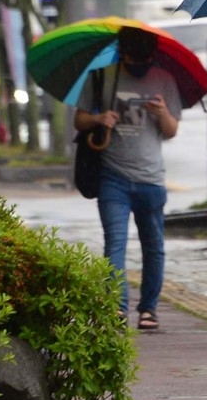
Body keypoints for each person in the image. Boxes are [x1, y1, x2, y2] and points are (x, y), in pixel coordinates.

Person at [74, 26, 181, 330]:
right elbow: (79, 119)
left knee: (154, 247)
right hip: (113, 177)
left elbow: (171, 130)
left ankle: (149, 309)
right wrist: (99, 118)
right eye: (135, 60)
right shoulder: (102, 77)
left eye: (146, 60)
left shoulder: (164, 79)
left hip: (152, 179)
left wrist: (162, 113)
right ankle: (117, 307)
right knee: (115, 243)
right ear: (122, 53)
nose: (141, 65)